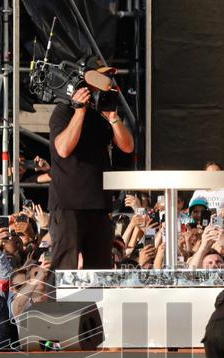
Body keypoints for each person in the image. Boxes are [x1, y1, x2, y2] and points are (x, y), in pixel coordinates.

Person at [48, 58, 134, 269]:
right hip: (69, 206)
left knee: (99, 269)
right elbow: (63, 148)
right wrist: (80, 111)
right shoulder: (63, 111)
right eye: (99, 79)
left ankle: (95, 295)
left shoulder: (103, 115)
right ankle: (59, 295)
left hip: (100, 204)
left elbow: (127, 146)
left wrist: (113, 118)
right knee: (65, 269)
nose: (105, 85)